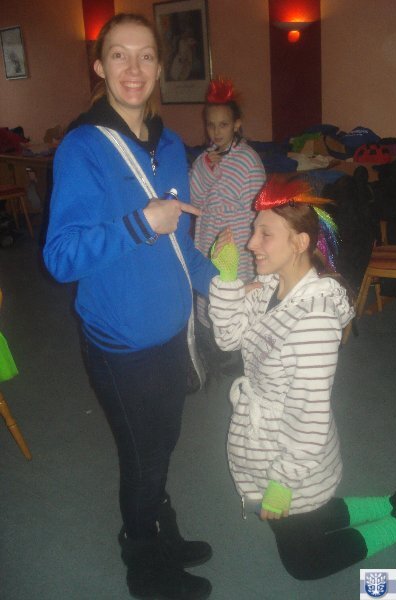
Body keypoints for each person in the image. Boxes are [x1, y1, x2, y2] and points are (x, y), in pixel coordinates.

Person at [43, 13, 217, 600]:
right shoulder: (82, 148)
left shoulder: (170, 145)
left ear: (161, 66)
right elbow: (61, 257)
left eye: (146, 55)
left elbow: (181, 246)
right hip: (121, 347)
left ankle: (164, 533)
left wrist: (223, 286)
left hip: (172, 335)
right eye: (119, 54)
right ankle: (144, 565)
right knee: (143, 461)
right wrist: (142, 222)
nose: (134, 68)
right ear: (100, 66)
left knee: (161, 447)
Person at [208, 175, 396, 580]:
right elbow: (229, 337)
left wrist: (283, 482)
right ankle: (390, 502)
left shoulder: (312, 321)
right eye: (253, 231)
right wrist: (228, 281)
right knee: (304, 517)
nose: (250, 244)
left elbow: (309, 413)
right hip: (265, 439)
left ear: (299, 242)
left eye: (265, 234)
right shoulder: (268, 287)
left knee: (304, 563)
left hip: (291, 452)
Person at [190, 77, 266, 377]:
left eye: (223, 125)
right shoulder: (203, 160)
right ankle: (213, 350)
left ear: (237, 124)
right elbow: (195, 200)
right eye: (211, 125)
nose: (216, 132)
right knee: (211, 291)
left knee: (235, 293)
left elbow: (257, 208)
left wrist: (253, 245)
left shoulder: (248, 160)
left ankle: (240, 355)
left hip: (238, 241)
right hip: (209, 236)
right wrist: (209, 169)